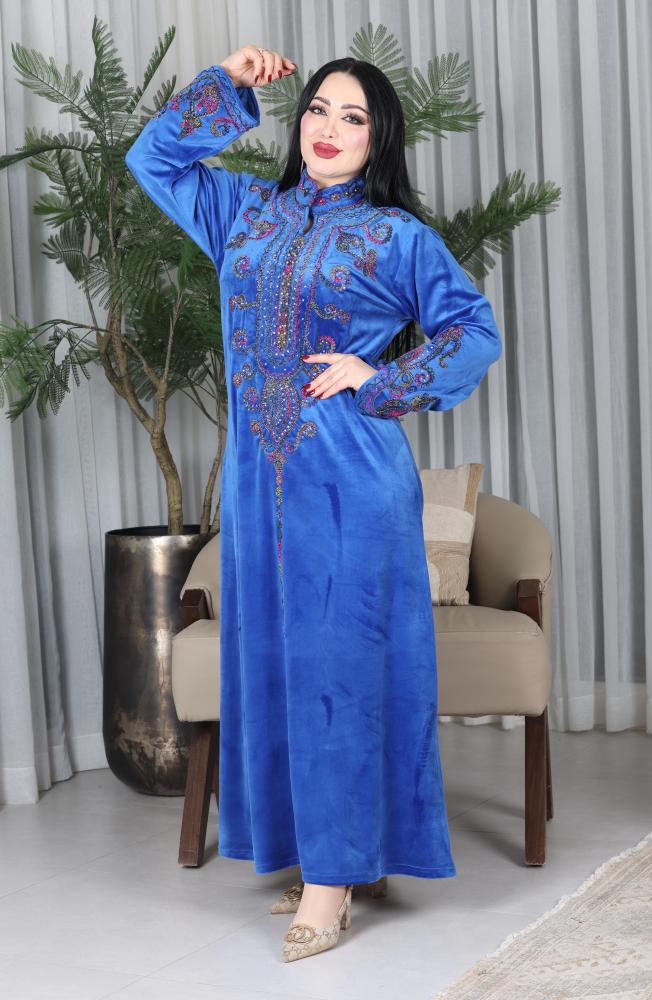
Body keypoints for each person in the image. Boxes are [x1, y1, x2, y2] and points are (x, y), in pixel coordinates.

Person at [125, 44, 502, 962]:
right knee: (281, 670)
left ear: (380, 140)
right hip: (259, 490)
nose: (330, 129)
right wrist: (228, 83)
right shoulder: (247, 212)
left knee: (340, 672)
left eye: (354, 118)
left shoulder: (396, 236)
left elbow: (473, 330)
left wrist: (379, 380)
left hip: (349, 484)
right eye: (319, 110)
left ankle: (330, 886)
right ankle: (334, 858)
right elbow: (153, 160)